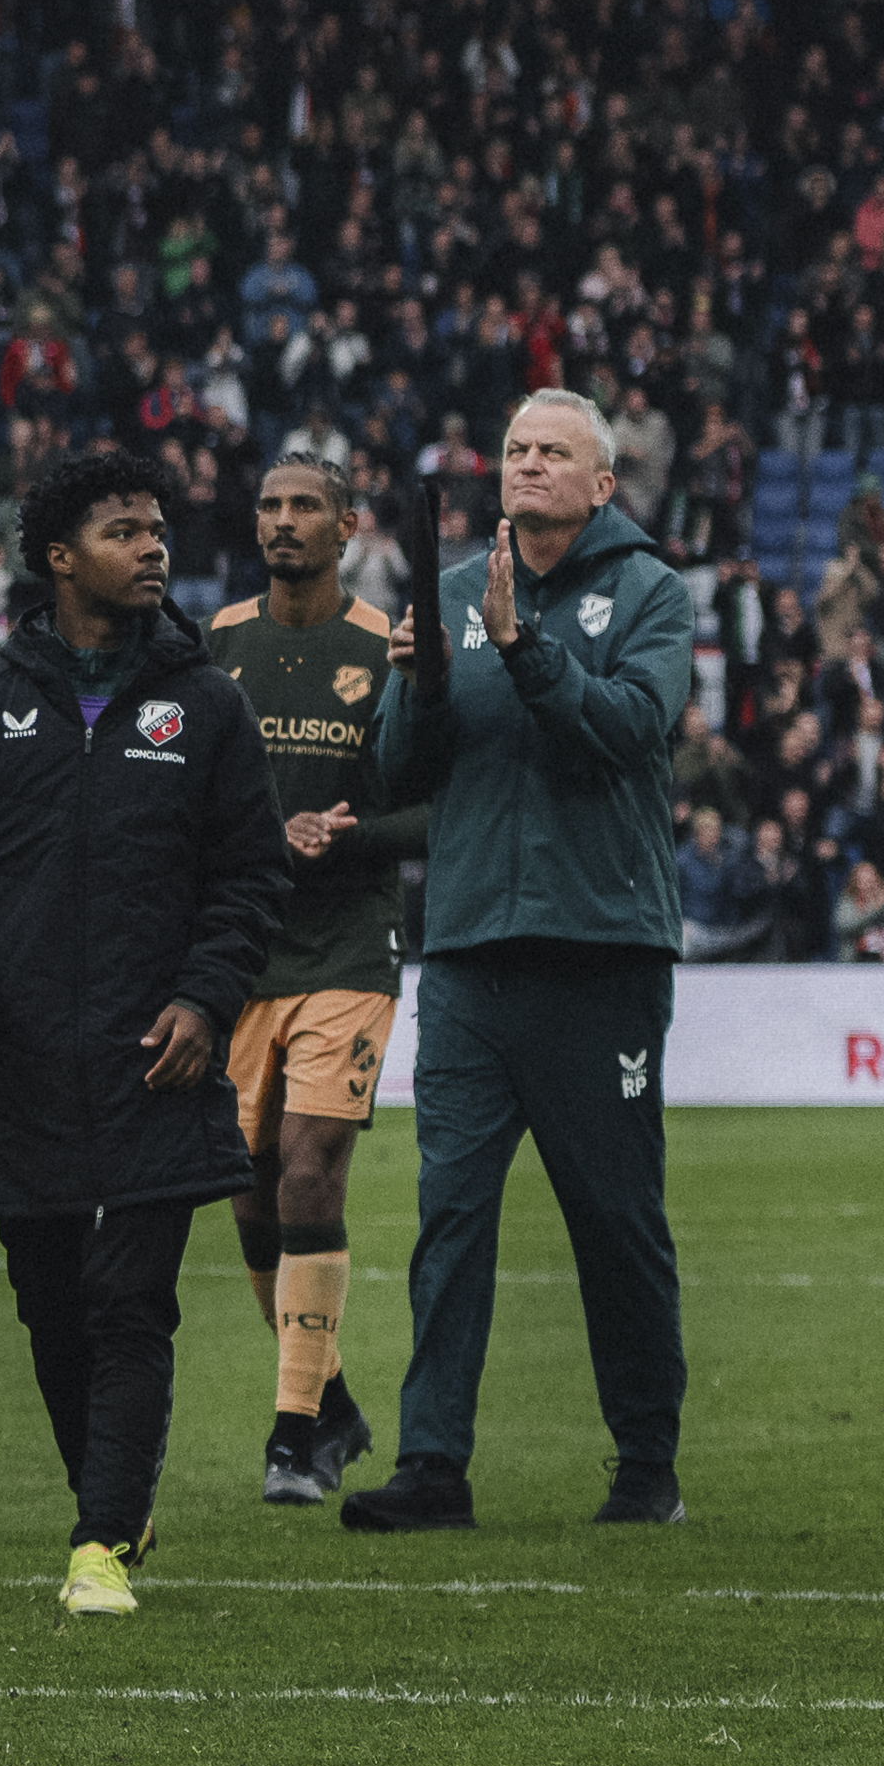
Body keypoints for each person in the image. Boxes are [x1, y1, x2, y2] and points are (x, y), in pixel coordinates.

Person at [0, 447, 285, 1611]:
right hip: (28, 1063)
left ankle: (100, 1540)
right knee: (49, 1303)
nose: (152, 547)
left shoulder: (204, 703)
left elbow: (248, 878)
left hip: (162, 1060)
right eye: (123, 531)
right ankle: (119, 1501)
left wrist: (207, 1000)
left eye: (156, 530)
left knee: (127, 1299)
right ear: (59, 558)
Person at [342, 390, 703, 1535]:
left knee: (615, 1219)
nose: (528, 465)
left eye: (555, 452)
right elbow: (400, 770)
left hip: (602, 952)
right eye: (513, 450)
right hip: (466, 952)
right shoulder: (445, 594)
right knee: (448, 1216)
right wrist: (427, 677)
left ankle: (646, 1461)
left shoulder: (651, 592)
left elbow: (628, 734)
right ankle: (431, 1464)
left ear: (604, 484)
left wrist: (516, 645)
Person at [205, 444, 422, 1502]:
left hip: (348, 944)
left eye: (306, 507)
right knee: (246, 1193)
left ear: (348, 527)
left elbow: (437, 803)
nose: (283, 521)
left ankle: (292, 1435)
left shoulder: (390, 648)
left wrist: (351, 834)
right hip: (244, 948)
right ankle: (330, 1400)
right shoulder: (220, 645)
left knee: (307, 1165)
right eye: (270, 506)